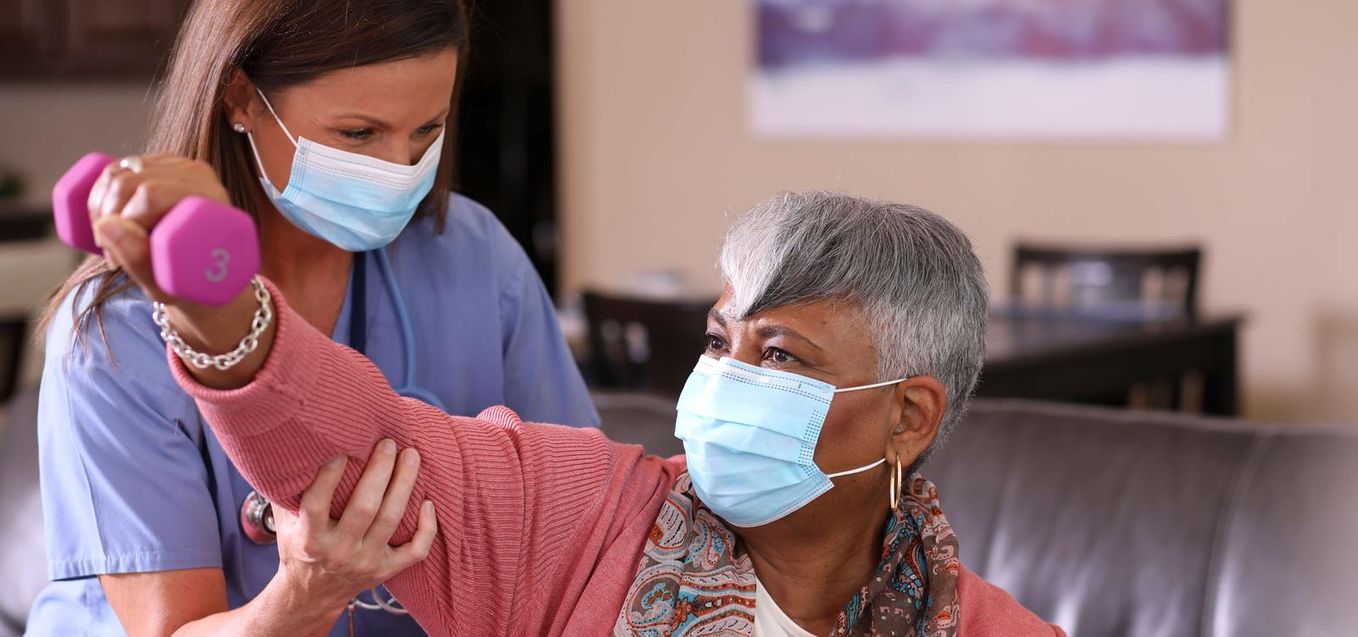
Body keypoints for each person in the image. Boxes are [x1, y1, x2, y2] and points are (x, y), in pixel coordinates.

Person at [95, 186, 1065, 636]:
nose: (726, 382)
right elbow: (356, 441)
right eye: (720, 341)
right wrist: (210, 300)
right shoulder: (576, 510)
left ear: (906, 416)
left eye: (778, 356)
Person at [28, 1, 597, 635]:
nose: (398, 169)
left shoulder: (475, 257)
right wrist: (305, 594)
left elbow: (582, 522)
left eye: (426, 131)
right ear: (239, 96)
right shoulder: (115, 329)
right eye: (358, 134)